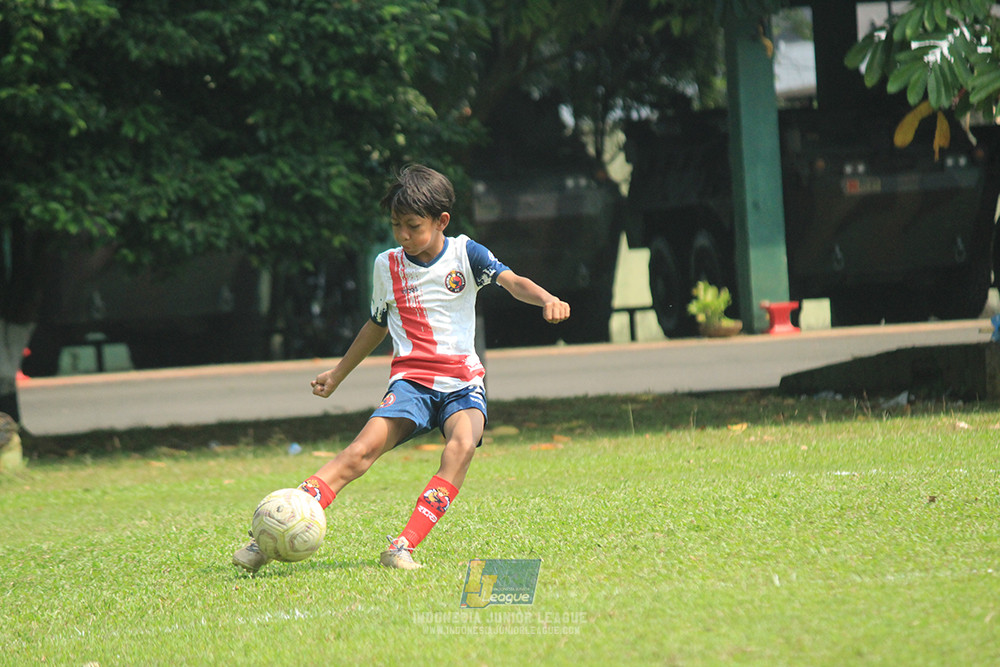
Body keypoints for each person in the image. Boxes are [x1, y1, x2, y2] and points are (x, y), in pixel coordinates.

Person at [233, 164, 570, 572]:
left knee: (461, 447)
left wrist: (548, 298)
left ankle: (402, 546)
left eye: (412, 225)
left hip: (463, 384)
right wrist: (338, 373)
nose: (403, 235)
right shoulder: (386, 265)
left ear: (441, 221)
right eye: (396, 225)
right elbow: (376, 324)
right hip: (410, 382)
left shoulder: (467, 254)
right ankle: (268, 535)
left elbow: (512, 281)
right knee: (359, 452)